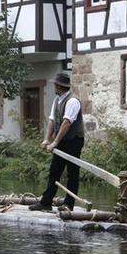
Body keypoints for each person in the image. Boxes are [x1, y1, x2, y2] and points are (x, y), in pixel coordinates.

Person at [30, 73, 85, 212]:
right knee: (54, 171)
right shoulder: (57, 100)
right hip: (62, 140)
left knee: (72, 172)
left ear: (59, 86)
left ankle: (69, 204)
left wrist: (54, 142)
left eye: (55, 84)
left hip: (74, 140)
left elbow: (66, 123)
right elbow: (52, 121)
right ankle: (46, 202)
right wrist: (47, 139)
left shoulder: (73, 101)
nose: (53, 86)